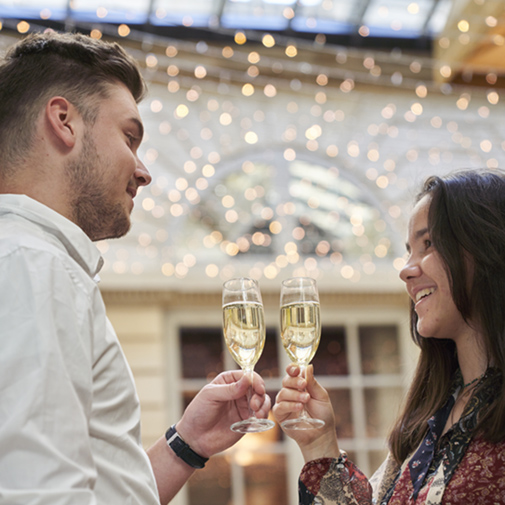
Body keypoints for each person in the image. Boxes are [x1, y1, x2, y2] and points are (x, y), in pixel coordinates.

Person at [0, 31, 271, 504]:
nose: (143, 171)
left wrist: (186, 444)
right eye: (129, 137)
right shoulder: (34, 266)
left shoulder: (37, 264)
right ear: (63, 121)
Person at [273, 169, 505, 504]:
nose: (406, 269)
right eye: (409, 250)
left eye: (429, 244)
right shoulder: (432, 415)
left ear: (488, 248)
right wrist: (319, 443)